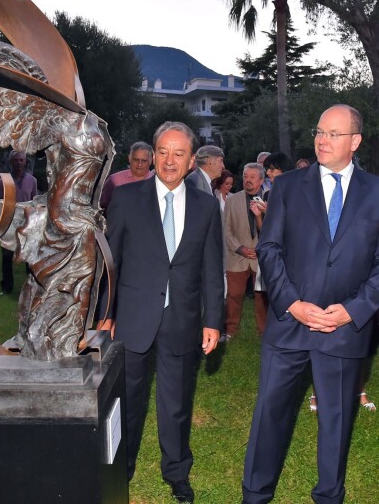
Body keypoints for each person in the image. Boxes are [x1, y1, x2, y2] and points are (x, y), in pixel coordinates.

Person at [242, 105, 379, 503]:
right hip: (290, 325)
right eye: (320, 131)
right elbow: (269, 249)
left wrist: (354, 310)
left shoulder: (376, 192)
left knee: (336, 423)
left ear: (355, 141)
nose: (322, 139)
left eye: (334, 134)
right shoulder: (286, 187)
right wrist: (292, 303)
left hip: (345, 329)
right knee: (270, 415)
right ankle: (255, 494)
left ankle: (329, 496)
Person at [107, 121, 224, 502]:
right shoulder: (125, 199)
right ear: (153, 156)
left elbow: (211, 267)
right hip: (133, 318)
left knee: (176, 402)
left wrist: (212, 321)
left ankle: (176, 472)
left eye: (178, 153)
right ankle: (120, 468)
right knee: (127, 400)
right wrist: (105, 315)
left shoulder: (207, 206)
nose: (169, 161)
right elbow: (110, 265)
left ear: (192, 161)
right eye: (162, 152)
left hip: (183, 320)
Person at [223, 163, 268, 340]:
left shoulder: (269, 200)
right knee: (233, 295)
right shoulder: (232, 200)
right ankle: (230, 330)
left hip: (261, 257)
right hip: (237, 257)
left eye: (252, 177)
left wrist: (260, 249)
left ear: (262, 180)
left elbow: (272, 230)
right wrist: (240, 248)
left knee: (262, 296)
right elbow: (226, 229)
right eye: (245, 176)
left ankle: (265, 331)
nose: (248, 180)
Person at [0, 150, 38, 295]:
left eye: (21, 160)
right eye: (16, 160)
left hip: (26, 223)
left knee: (28, 255)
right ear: (11, 162)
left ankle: (31, 287)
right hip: (8, 223)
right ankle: (7, 287)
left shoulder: (32, 181)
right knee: (7, 256)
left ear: (25, 162)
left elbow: (35, 203)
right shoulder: (4, 181)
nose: (19, 163)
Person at [99, 141, 154, 211]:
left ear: (150, 161)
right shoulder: (115, 180)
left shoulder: (158, 183)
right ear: (129, 158)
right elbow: (101, 206)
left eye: (144, 161)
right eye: (136, 160)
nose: (139, 164)